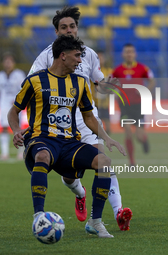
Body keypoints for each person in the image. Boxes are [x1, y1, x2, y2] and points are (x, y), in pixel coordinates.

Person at [8, 35, 126, 238]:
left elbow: (88, 117)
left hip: (69, 142)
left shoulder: (80, 83)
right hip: (42, 139)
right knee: (43, 156)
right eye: (77, 56)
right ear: (63, 56)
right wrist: (16, 130)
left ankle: (95, 222)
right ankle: (39, 216)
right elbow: (13, 111)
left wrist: (107, 138)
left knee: (104, 163)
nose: (80, 61)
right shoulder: (35, 80)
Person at [28, 6, 133, 231]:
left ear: (77, 28)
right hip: (59, 123)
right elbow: (31, 84)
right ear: (56, 32)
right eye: (63, 27)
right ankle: (80, 192)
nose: (69, 30)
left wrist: (109, 87)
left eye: (72, 26)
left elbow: (99, 83)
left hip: (87, 118)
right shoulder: (47, 56)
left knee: (102, 161)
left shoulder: (89, 54)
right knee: (68, 176)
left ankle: (117, 212)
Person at [112, 43, 156, 166]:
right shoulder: (117, 70)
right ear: (123, 54)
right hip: (124, 106)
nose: (129, 54)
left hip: (139, 106)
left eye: (131, 51)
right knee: (127, 131)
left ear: (135, 54)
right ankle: (132, 161)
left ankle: (144, 140)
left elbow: (152, 81)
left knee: (139, 136)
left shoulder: (142, 68)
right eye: (127, 51)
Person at [0, 52, 26, 160]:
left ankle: (20, 153)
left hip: (16, 105)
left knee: (18, 128)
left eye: (10, 61)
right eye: (6, 62)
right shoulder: (0, 76)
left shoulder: (19, 75)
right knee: (4, 127)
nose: (8, 64)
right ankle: (4, 153)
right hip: (3, 104)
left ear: (13, 63)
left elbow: (24, 89)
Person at [93, 50, 113, 134]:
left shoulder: (109, 71)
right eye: (98, 58)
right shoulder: (91, 72)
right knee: (94, 128)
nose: (100, 59)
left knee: (108, 129)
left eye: (101, 57)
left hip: (105, 103)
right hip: (94, 103)